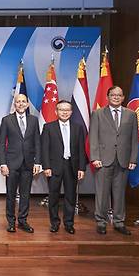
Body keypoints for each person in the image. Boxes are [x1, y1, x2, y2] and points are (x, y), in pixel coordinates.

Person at [89, 86, 139, 235]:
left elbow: (135, 139)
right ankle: (101, 222)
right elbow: (93, 138)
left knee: (119, 193)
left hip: (123, 160)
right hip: (103, 160)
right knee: (102, 193)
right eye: (113, 95)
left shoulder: (131, 115)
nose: (116, 97)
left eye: (119, 95)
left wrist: (133, 159)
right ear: (108, 96)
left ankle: (119, 222)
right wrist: (95, 157)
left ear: (123, 97)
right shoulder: (98, 114)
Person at [41, 100, 87, 234]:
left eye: (67, 110)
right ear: (56, 112)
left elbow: (81, 150)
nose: (64, 112)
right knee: (53, 196)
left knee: (70, 197)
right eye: (62, 110)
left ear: (71, 112)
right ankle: (54, 223)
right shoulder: (48, 127)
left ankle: (69, 223)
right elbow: (45, 149)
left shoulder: (78, 127)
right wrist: (46, 167)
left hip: (72, 166)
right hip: (54, 167)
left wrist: (81, 168)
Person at [0, 94, 41, 233]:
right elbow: (1, 144)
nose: (21, 104)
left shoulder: (34, 120)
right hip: (11, 164)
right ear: (14, 104)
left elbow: (37, 142)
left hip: (28, 164)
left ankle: (23, 220)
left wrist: (38, 162)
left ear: (27, 104)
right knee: (11, 194)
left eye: (23, 101)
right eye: (18, 102)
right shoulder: (7, 120)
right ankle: (11, 222)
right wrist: (3, 163)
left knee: (25, 194)